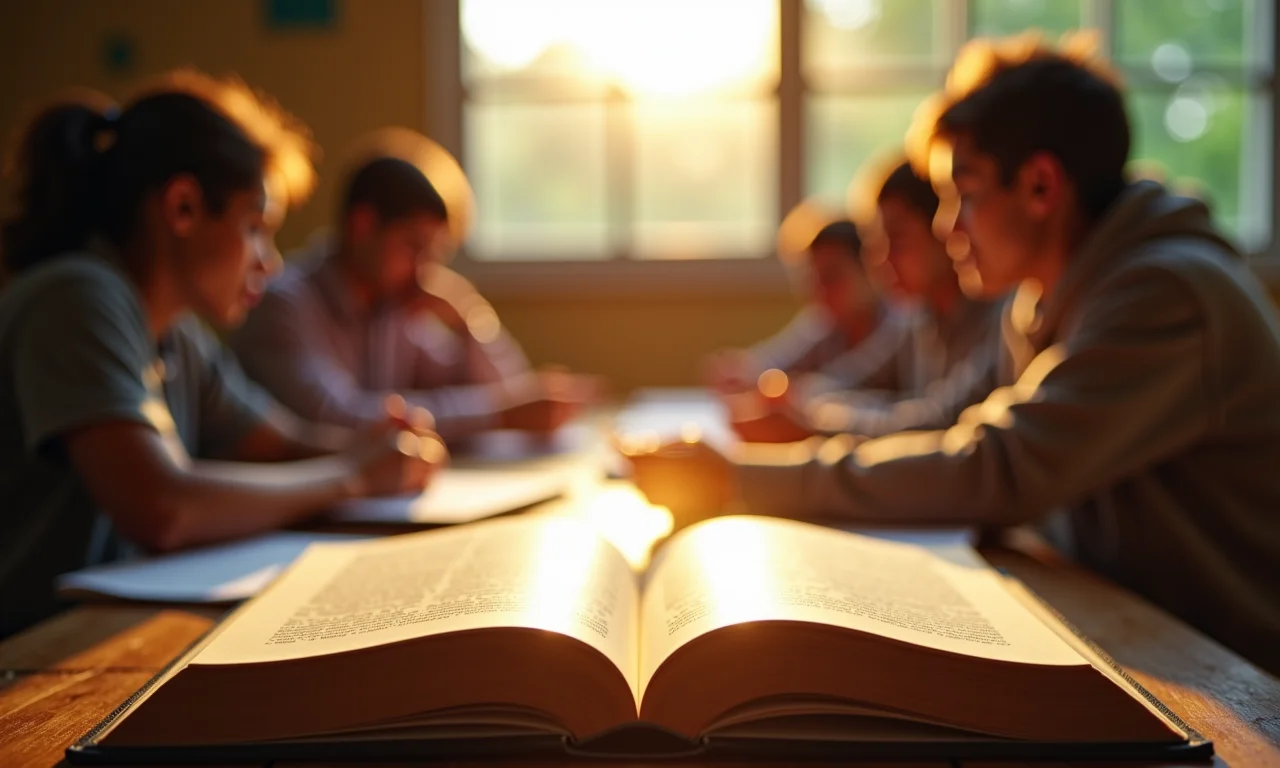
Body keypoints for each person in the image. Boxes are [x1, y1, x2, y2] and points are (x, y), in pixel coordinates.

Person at [630, 35, 1280, 674]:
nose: (948, 227)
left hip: (1234, 679)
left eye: (963, 195)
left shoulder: (1166, 293)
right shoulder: (1042, 302)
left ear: (1040, 186)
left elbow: (998, 466)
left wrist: (743, 479)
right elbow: (949, 426)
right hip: (1132, 631)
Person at [0, 72, 443, 637]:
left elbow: (277, 443)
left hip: (97, 636)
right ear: (183, 207)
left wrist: (376, 447)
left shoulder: (176, 335)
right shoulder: (75, 296)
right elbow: (163, 508)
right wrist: (353, 476)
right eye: (255, 227)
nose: (270, 263)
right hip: (25, 654)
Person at [231, 139, 597, 444]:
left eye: (432, 254)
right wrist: (498, 414)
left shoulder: (392, 308)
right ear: (363, 226)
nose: (424, 271)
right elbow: (338, 417)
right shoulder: (282, 303)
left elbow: (508, 388)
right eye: (413, 247)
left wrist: (468, 317)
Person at [733, 160, 1007, 442]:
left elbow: (943, 422)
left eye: (897, 239)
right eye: (876, 244)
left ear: (945, 231)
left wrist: (813, 421)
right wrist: (794, 399)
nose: (880, 260)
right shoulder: (919, 319)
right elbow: (847, 381)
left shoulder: (1001, 321)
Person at [705, 214, 917, 423]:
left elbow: (850, 378)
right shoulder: (825, 324)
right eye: (815, 279)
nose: (821, 290)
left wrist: (793, 392)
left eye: (832, 276)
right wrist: (742, 371)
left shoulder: (901, 322)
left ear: (870, 269)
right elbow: (775, 360)